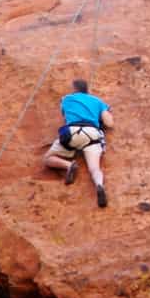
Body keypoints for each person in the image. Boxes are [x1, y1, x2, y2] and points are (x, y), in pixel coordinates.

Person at [43, 78, 115, 208]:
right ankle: (99, 184)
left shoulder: (66, 99)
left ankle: (68, 165)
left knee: (48, 158)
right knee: (94, 168)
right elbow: (109, 123)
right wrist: (107, 112)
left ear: (74, 88)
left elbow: (64, 115)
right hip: (93, 133)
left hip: (73, 132)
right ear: (87, 89)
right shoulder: (98, 101)